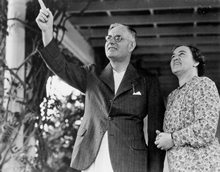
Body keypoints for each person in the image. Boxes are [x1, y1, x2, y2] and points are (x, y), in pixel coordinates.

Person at [35, 3, 165, 172]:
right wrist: (47, 31)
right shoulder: (91, 75)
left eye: (118, 38)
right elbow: (61, 67)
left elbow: (156, 131)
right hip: (91, 159)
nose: (111, 41)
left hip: (130, 162)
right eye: (108, 38)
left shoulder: (148, 81)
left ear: (131, 46)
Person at [154, 45, 220, 172]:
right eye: (173, 56)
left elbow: (206, 129)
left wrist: (172, 138)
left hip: (203, 166)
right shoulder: (172, 96)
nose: (175, 58)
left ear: (196, 62)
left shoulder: (204, 84)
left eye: (182, 54)